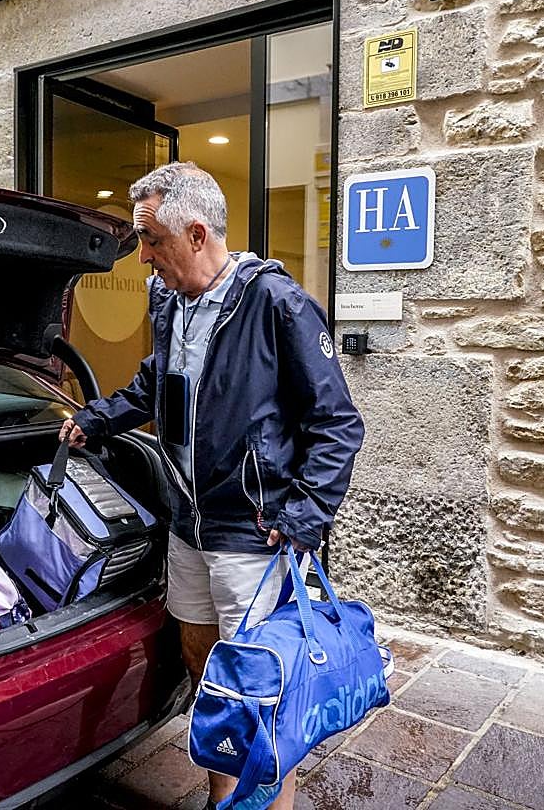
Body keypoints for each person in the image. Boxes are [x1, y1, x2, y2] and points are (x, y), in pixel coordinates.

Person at [59, 162, 363, 809]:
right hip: (187, 523)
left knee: (259, 681)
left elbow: (338, 422)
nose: (142, 257)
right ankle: (226, 794)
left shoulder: (275, 303)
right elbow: (152, 385)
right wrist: (97, 419)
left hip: (251, 530)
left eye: (152, 240)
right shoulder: (169, 302)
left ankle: (268, 803)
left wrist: (306, 515)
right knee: (205, 662)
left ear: (196, 234)